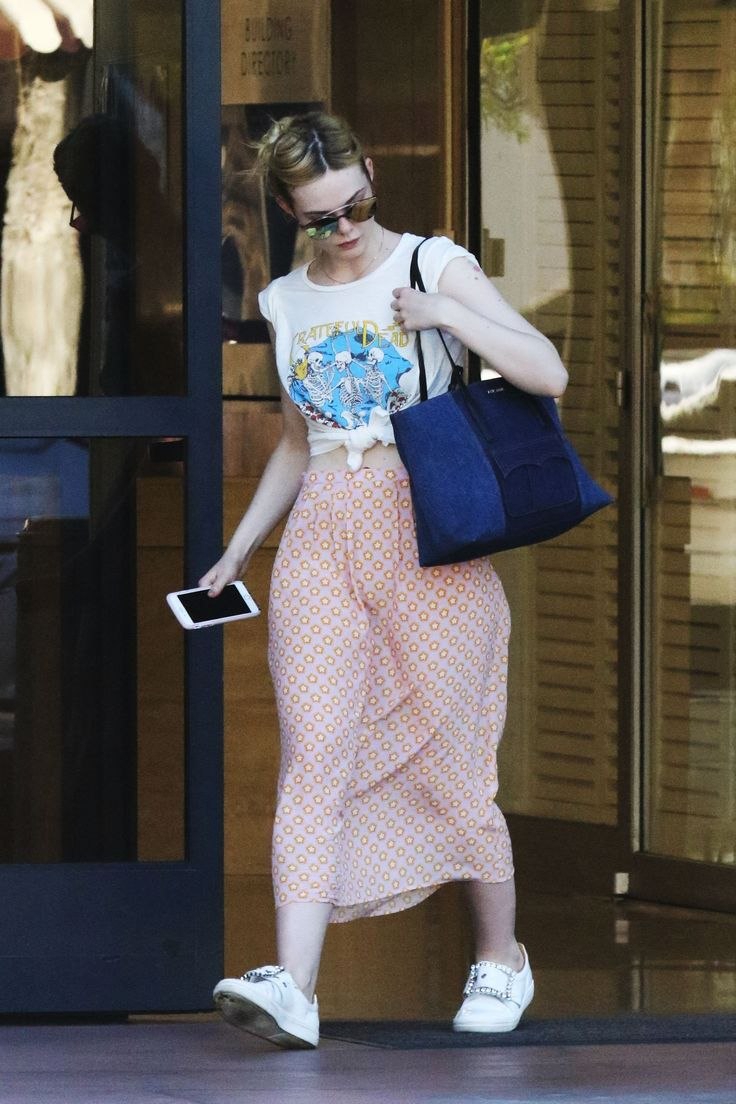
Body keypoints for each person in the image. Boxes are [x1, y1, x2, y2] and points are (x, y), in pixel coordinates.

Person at [200, 111, 568, 1050]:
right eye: (320, 218)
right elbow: (298, 441)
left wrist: (449, 316)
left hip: (429, 528)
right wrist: (241, 547)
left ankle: (501, 959)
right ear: (288, 212)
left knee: (454, 757)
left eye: (355, 204)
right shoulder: (283, 301)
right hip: (323, 537)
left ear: (369, 174)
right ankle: (295, 986)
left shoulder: (430, 263)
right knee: (314, 755)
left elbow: (547, 371)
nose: (345, 229)